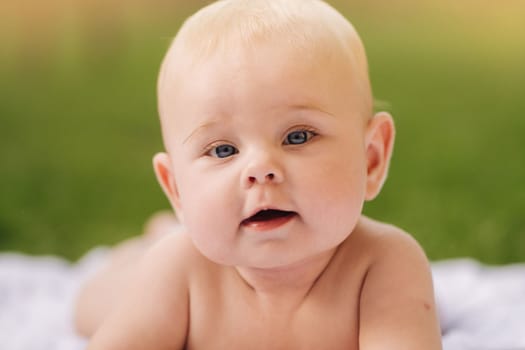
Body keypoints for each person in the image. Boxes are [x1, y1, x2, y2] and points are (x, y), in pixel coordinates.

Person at [75, 0, 443, 348]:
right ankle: (151, 238)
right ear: (176, 190)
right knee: (91, 306)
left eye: (297, 137)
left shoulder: (383, 264)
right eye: (223, 150)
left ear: (371, 159)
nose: (261, 169)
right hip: (148, 272)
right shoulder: (179, 271)